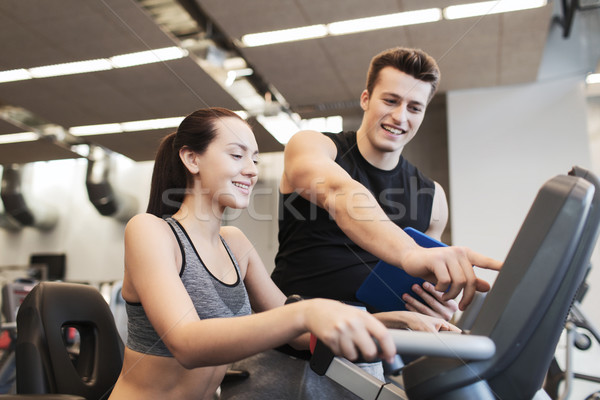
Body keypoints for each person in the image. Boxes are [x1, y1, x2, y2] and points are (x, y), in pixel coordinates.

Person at [108, 108, 400, 400]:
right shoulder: (151, 231)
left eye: (255, 159)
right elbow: (186, 344)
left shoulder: (235, 244)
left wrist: (393, 321)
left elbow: (298, 336)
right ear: (192, 159)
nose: (252, 170)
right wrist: (306, 312)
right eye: (237, 155)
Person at [271, 47, 502, 318]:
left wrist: (438, 304)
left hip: (380, 348)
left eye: (415, 108)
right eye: (391, 101)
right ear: (366, 99)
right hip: (291, 339)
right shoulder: (314, 146)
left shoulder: (432, 195)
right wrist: (410, 254)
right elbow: (341, 195)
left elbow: (425, 287)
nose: (400, 117)